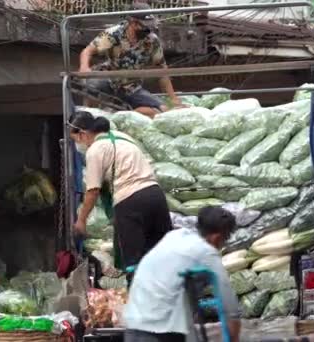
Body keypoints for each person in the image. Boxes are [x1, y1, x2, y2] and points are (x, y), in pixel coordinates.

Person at [70, 110, 173, 285]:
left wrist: (81, 220)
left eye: (76, 140)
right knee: (161, 254)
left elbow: (93, 190)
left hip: (131, 202)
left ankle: (139, 305)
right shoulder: (121, 137)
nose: (79, 145)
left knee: (134, 262)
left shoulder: (95, 150)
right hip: (155, 196)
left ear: (83, 134)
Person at [123, 206, 241, 342]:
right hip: (161, 330)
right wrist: (234, 335)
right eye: (224, 241)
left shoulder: (173, 236)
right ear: (217, 238)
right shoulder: (205, 251)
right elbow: (229, 305)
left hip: (133, 322)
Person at [79, 2, 183, 118]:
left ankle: (121, 116)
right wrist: (84, 67)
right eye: (144, 26)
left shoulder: (152, 40)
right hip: (109, 79)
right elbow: (87, 51)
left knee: (161, 110)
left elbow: (162, 72)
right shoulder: (114, 34)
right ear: (133, 22)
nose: (148, 30)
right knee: (92, 84)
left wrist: (173, 98)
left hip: (131, 86)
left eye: (150, 26)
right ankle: (90, 117)